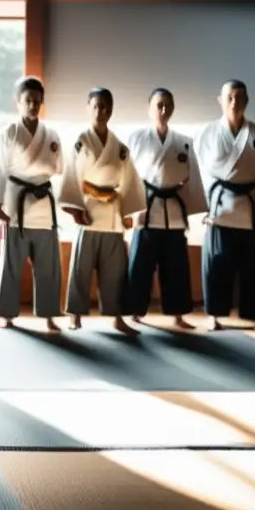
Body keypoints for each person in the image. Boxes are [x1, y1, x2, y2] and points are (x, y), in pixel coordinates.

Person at [58, 88, 146, 334]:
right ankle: (75, 314)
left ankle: (116, 316)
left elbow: (129, 180)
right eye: (96, 106)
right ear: (88, 108)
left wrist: (128, 212)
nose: (101, 111)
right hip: (88, 208)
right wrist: (75, 209)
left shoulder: (119, 147)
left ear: (112, 110)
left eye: (106, 107)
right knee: (80, 266)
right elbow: (72, 175)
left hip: (112, 214)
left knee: (115, 269)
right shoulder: (81, 141)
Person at [195, 79, 255, 332]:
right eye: (229, 97)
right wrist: (207, 208)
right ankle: (215, 315)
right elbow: (200, 174)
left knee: (251, 265)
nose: (234, 102)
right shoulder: (206, 133)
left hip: (247, 207)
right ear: (219, 100)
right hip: (218, 209)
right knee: (216, 264)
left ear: (247, 101)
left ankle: (253, 314)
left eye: (240, 97)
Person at [0, 76, 64, 332]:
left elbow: (58, 170)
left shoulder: (51, 135)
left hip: (42, 206)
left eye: (37, 102)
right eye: (28, 101)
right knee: (11, 264)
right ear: (17, 102)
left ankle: (50, 315)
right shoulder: (8, 133)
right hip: (15, 205)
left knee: (48, 266)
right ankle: (7, 315)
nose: (33, 106)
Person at [124, 89, 207, 329]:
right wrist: (129, 211)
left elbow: (193, 180)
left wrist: (191, 211)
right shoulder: (136, 138)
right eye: (159, 105)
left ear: (172, 109)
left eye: (167, 106)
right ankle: (135, 311)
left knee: (176, 267)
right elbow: (127, 177)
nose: (163, 110)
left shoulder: (184, 142)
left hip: (173, 212)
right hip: (146, 210)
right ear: (149, 108)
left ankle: (178, 314)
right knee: (140, 265)